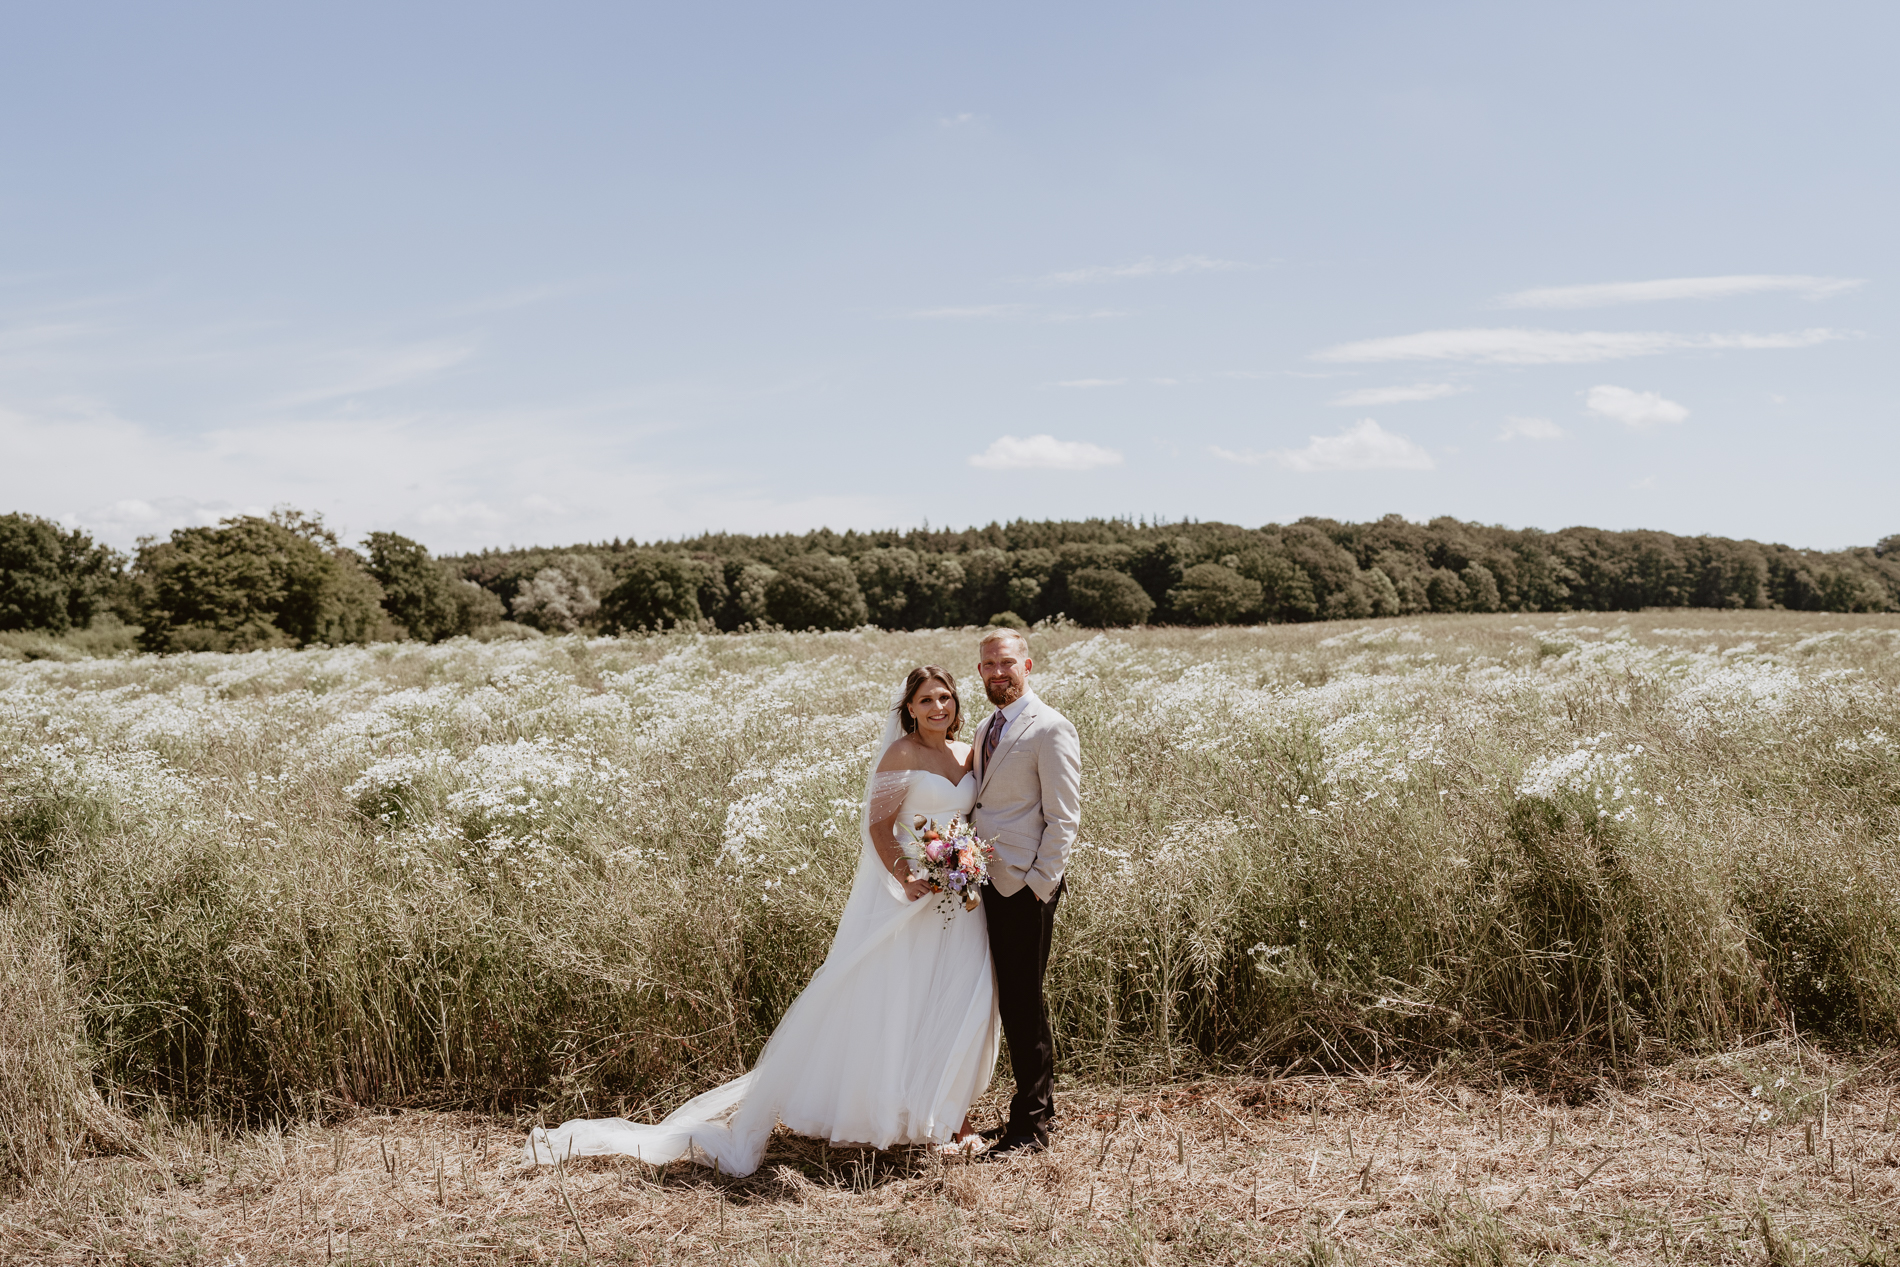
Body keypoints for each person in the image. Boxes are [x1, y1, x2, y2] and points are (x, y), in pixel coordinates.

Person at [524, 666, 998, 1174]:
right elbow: (879, 826)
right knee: (904, 1001)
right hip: (915, 899)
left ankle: (953, 1118)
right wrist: (906, 876)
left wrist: (965, 859)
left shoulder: (966, 752)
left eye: (945, 697)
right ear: (909, 707)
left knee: (958, 1004)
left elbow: (969, 820)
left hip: (962, 900)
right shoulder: (901, 753)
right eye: (926, 699)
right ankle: (897, 1113)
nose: (937, 708)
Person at [968, 628, 1081, 1158]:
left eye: (1006, 663)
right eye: (988, 664)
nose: (997, 672)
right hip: (983, 881)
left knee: (1024, 1001)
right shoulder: (987, 726)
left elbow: (1063, 818)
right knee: (1007, 1000)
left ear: (1028, 665)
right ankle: (1032, 1109)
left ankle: (1032, 1125)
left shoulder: (1051, 727)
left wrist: (1040, 885)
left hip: (1025, 887)